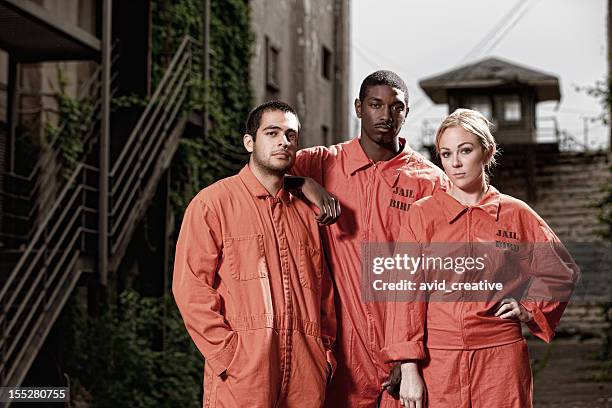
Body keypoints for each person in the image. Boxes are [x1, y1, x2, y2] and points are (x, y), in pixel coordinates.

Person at [387, 108, 579, 407]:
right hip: (438, 360)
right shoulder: (423, 215)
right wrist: (409, 367)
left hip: (500, 358)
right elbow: (404, 293)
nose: (456, 163)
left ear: (486, 151)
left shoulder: (515, 213)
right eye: (446, 153)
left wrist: (530, 308)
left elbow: (561, 269)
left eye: (465, 150)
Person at [292, 70, 447, 407]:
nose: (386, 115)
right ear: (358, 108)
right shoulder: (321, 163)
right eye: (376, 105)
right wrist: (304, 183)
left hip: (405, 345)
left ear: (406, 113)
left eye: (397, 107)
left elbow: (441, 276)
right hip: (344, 351)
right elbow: (264, 169)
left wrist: (410, 359)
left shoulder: (429, 182)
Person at [173, 101, 336, 408]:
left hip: (306, 376)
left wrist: (324, 353)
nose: (283, 141)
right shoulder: (213, 204)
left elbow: (323, 293)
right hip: (243, 376)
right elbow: (190, 288)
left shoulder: (305, 214)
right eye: (272, 132)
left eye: (291, 135)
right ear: (249, 142)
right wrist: (227, 355)